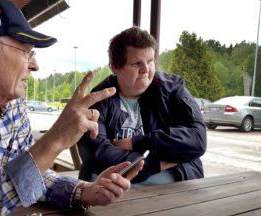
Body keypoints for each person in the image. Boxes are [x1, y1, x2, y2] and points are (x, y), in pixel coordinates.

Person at [0, 1, 144, 216]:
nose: (35, 65)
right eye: (27, 52)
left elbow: (28, 175)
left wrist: (85, 192)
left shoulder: (12, 104)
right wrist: (54, 141)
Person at [78, 27, 206, 186]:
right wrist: (159, 163)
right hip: (116, 196)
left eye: (151, 61)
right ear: (115, 67)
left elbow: (197, 140)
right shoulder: (100, 99)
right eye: (137, 63)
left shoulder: (171, 89)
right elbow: (99, 156)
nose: (146, 70)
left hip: (180, 190)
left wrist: (135, 143)